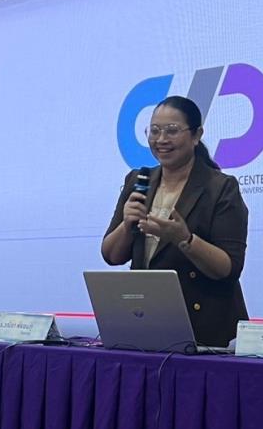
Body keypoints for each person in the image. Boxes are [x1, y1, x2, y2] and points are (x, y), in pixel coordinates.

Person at [101, 96, 249, 346]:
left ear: (196, 135)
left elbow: (229, 268)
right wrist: (126, 225)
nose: (161, 139)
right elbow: (111, 255)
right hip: (148, 322)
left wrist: (184, 239)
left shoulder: (220, 187)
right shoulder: (138, 180)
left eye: (171, 131)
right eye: (154, 131)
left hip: (206, 330)